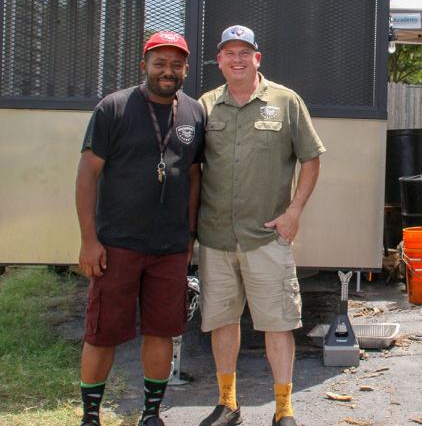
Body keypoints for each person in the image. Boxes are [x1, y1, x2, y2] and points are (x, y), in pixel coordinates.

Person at [75, 31, 206, 426]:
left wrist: (189, 237)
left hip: (169, 247)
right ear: (143, 65)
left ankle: (151, 414)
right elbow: (87, 175)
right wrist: (88, 240)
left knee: (162, 332)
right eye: (160, 63)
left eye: (176, 64)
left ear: (185, 69)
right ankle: (91, 417)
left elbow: (194, 178)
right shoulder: (113, 108)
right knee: (103, 333)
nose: (168, 71)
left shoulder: (195, 113)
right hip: (117, 245)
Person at [197, 25, 325, 426]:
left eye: (244, 52)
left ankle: (284, 410)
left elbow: (311, 158)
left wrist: (294, 212)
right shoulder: (203, 106)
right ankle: (228, 404)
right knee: (222, 321)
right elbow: (193, 169)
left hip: (267, 237)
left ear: (258, 58)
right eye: (229, 53)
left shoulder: (286, 102)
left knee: (278, 324)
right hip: (216, 237)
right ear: (219, 61)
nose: (237, 59)